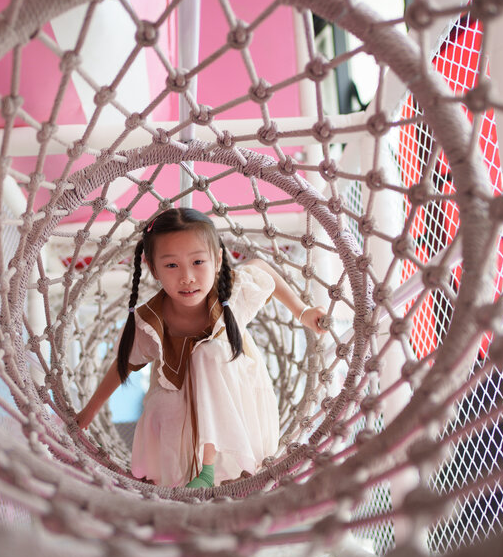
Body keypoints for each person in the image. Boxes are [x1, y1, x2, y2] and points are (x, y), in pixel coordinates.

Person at [75, 208, 326, 488]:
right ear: (153, 268)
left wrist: (302, 312)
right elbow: (123, 367)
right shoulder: (149, 321)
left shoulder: (232, 291)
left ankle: (209, 471)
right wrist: (86, 415)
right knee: (162, 403)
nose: (187, 277)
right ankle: (180, 481)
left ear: (217, 260)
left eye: (197, 262)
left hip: (239, 406)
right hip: (182, 418)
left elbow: (263, 268)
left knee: (209, 354)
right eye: (171, 265)